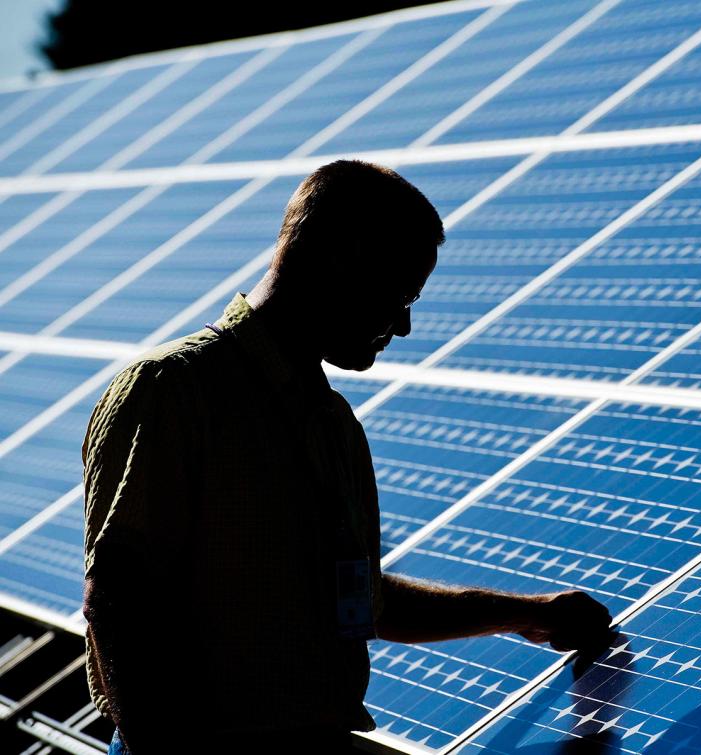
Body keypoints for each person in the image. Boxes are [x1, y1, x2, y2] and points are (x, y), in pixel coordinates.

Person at [82, 160, 613, 754]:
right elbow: (118, 596)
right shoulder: (173, 388)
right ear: (342, 256)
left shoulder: (334, 427)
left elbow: (359, 600)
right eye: (401, 294)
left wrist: (527, 612)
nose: (406, 326)